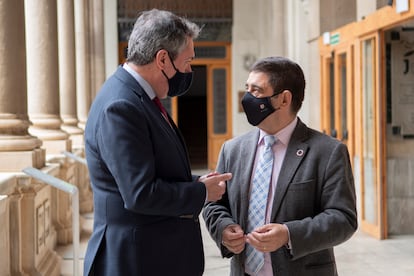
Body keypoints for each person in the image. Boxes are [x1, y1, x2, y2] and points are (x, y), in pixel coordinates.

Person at [83, 9, 232, 276]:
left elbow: (155, 169)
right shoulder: (121, 105)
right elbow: (140, 194)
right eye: (187, 62)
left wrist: (197, 182)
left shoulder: (138, 96)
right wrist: (201, 193)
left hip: (152, 255)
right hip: (136, 260)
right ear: (162, 58)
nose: (188, 71)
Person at [203, 56, 357, 276]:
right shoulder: (232, 149)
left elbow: (343, 219)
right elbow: (214, 204)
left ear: (284, 99)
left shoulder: (328, 152)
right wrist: (223, 228)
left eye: (256, 91)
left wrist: (288, 234)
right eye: (247, 89)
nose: (247, 98)